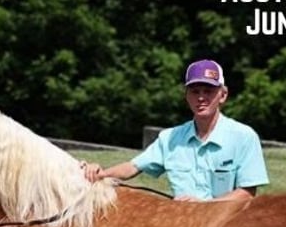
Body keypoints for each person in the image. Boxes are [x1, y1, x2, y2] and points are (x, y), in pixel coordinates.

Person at [82, 59, 269, 201]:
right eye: (195, 91)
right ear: (186, 96)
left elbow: (247, 193)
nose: (201, 98)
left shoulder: (244, 137)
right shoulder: (169, 138)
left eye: (208, 91)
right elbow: (132, 167)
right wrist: (100, 173)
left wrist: (205, 207)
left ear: (223, 95)